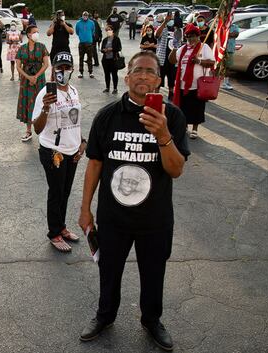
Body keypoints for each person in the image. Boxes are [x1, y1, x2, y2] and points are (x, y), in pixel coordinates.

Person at [78, 50, 190, 352]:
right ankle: (105, 316)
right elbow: (95, 164)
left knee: (154, 272)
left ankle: (152, 320)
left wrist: (163, 134)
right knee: (109, 270)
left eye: (151, 71)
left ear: (159, 79)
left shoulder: (174, 117)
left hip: (155, 219)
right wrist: (85, 209)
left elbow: (176, 169)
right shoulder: (107, 116)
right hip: (114, 218)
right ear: (126, 77)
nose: (144, 75)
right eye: (138, 70)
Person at [32, 51, 86, 252]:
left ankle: (61, 227)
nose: (63, 71)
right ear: (53, 69)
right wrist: (46, 107)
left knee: (65, 191)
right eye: (60, 67)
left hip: (73, 150)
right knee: (56, 192)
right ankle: (54, 233)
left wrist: (81, 142)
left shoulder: (73, 91)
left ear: (72, 69)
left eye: (67, 67)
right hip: (54, 151)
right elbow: (37, 129)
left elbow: (75, 120)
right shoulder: (44, 93)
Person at [169, 24, 215, 139]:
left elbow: (212, 63)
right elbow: (172, 60)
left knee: (197, 108)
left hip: (198, 85)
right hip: (183, 85)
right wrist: (174, 48)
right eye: (188, 36)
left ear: (198, 36)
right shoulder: (182, 49)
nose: (191, 39)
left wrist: (199, 61)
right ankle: (184, 126)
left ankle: (195, 129)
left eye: (193, 36)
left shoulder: (204, 48)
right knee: (182, 108)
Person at [16, 25, 50, 142]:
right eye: (35, 32)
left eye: (37, 31)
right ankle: (28, 131)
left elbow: (46, 64)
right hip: (26, 81)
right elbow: (18, 66)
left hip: (39, 79)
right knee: (28, 104)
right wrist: (28, 77)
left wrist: (35, 76)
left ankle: (44, 131)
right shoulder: (22, 48)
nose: (37, 34)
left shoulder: (42, 47)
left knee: (41, 103)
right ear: (29, 35)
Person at [155, 14, 178, 100]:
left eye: (172, 19)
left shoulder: (178, 30)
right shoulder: (163, 29)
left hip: (173, 58)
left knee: (172, 77)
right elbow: (156, 35)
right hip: (162, 58)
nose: (170, 20)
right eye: (169, 19)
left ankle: (171, 93)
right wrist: (165, 22)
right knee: (159, 77)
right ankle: (156, 94)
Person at [101, 26, 122, 94]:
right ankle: (107, 87)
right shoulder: (105, 39)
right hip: (105, 59)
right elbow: (102, 49)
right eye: (107, 30)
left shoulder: (116, 39)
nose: (108, 31)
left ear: (112, 30)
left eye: (109, 29)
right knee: (106, 74)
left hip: (114, 59)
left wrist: (112, 49)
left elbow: (119, 48)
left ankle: (115, 88)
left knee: (114, 74)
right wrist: (104, 50)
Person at [76, 11, 96, 79]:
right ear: (82, 16)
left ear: (88, 16)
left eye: (86, 16)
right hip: (82, 43)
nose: (85, 17)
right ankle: (81, 72)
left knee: (90, 58)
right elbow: (77, 31)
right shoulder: (78, 23)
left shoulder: (91, 23)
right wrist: (82, 37)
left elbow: (93, 30)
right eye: (84, 16)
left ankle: (91, 72)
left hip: (89, 43)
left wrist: (88, 37)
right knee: (81, 58)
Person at [221, 22, 239, 91]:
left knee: (228, 67)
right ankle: (217, 82)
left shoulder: (235, 26)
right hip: (222, 50)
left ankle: (226, 82)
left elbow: (236, 34)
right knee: (219, 67)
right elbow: (221, 35)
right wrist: (228, 34)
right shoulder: (222, 26)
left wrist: (227, 34)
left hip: (230, 49)